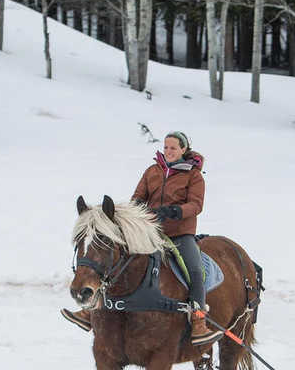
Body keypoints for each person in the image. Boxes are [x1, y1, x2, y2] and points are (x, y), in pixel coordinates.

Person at [62, 130, 221, 344]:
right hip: (150, 231)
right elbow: (137, 198)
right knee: (119, 263)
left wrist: (175, 211)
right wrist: (136, 212)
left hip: (180, 234)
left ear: (183, 150)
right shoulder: (152, 171)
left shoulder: (193, 176)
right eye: (165, 147)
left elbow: (196, 205)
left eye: (173, 148)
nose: (168, 151)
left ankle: (199, 321)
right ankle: (90, 311)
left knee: (194, 270)